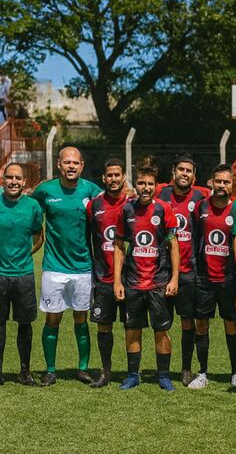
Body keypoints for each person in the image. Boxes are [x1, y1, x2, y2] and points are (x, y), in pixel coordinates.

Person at [32, 146, 103, 386]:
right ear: (58, 164)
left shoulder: (92, 191)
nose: (71, 166)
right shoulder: (45, 191)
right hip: (53, 268)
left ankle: (83, 369)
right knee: (53, 319)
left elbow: (112, 209)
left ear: (82, 166)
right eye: (67, 162)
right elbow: (27, 210)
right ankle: (50, 370)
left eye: (76, 163)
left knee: (81, 320)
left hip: (83, 267)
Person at [113, 165, 179, 390]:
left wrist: (174, 279)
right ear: (135, 185)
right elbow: (119, 246)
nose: (146, 188)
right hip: (133, 282)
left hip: (159, 282)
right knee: (133, 328)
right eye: (141, 183)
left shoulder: (164, 209)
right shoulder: (127, 210)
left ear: (155, 185)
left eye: (150, 184)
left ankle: (163, 376)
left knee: (161, 330)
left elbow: (173, 245)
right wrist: (117, 281)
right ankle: (133, 375)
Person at [157, 154, 210, 387]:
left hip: (190, 270)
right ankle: (162, 372)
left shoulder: (200, 196)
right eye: (181, 169)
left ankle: (186, 369)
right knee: (162, 324)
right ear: (173, 172)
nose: (185, 174)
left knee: (188, 322)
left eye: (189, 170)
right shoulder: (161, 194)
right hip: (161, 269)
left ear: (194, 176)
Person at [190, 164, 236, 389]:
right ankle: (202, 372)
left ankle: (235, 372)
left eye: (226, 182)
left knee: (230, 323)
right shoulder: (201, 207)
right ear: (211, 182)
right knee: (201, 324)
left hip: (228, 277)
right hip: (204, 277)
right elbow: (193, 238)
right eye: (218, 181)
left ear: (233, 184)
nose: (222, 186)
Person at [84, 158, 129, 388]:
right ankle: (106, 372)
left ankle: (133, 373)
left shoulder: (133, 203)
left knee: (133, 327)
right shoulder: (94, 205)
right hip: (103, 277)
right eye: (109, 175)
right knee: (104, 325)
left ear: (124, 177)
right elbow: (88, 238)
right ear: (103, 178)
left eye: (117, 175)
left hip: (131, 279)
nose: (113, 179)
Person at [0, 162, 43, 385]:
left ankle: (24, 370)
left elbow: (39, 236)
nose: (14, 182)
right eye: (10, 177)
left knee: (24, 324)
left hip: (24, 274)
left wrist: (26, 254)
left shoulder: (33, 206)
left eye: (18, 178)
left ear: (25, 182)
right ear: (3, 179)